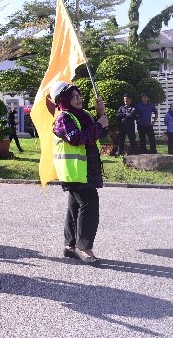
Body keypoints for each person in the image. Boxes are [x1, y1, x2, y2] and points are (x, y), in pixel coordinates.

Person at [50, 81, 108, 266]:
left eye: (79, 96)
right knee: (90, 205)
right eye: (73, 97)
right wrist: (99, 125)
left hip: (87, 170)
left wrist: (100, 116)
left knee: (75, 207)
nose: (78, 99)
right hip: (75, 171)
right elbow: (76, 138)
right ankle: (84, 248)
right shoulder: (63, 118)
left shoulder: (85, 115)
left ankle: (70, 246)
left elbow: (100, 133)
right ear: (63, 100)